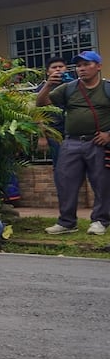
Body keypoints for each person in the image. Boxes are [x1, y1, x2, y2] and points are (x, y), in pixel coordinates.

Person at [35, 50, 110, 236]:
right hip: (71, 142)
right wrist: (47, 85)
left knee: (102, 183)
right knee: (65, 182)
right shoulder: (69, 88)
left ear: (98, 66)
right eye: (79, 66)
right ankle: (67, 222)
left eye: (86, 64)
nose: (82, 69)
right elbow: (41, 103)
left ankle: (100, 220)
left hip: (98, 143)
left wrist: (109, 134)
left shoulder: (107, 88)